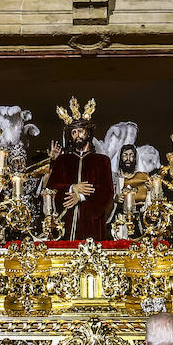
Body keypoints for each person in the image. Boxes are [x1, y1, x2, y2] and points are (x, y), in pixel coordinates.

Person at [47, 97, 113, 241]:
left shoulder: (102, 161)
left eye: (80, 131)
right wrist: (72, 188)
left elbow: (107, 191)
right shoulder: (62, 161)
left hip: (91, 224)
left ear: (88, 133)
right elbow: (51, 188)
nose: (77, 135)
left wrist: (81, 197)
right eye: (74, 132)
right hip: (66, 222)